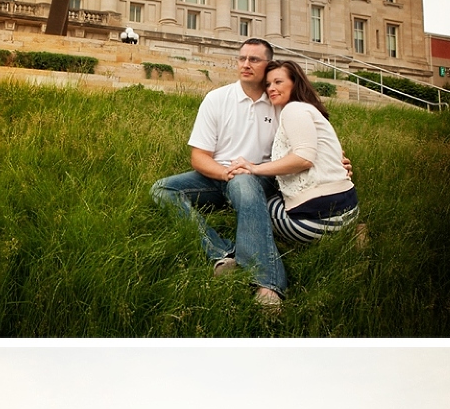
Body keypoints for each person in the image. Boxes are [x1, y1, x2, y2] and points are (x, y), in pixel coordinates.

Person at [150, 39, 287, 307]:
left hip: (261, 175)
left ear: (269, 65)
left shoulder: (279, 103)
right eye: (242, 58)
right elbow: (199, 157)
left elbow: (306, 143)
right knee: (161, 189)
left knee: (245, 182)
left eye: (254, 60)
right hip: (219, 175)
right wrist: (226, 174)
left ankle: (267, 283)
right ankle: (222, 253)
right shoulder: (217, 99)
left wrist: (336, 160)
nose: (246, 64)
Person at [230, 60, 359, 248]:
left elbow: (304, 159)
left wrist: (253, 168)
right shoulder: (310, 110)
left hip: (315, 223)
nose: (271, 88)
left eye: (278, 82)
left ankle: (244, 252)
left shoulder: (294, 109)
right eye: (267, 84)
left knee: (255, 204)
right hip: (349, 212)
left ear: (295, 82)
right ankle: (352, 234)